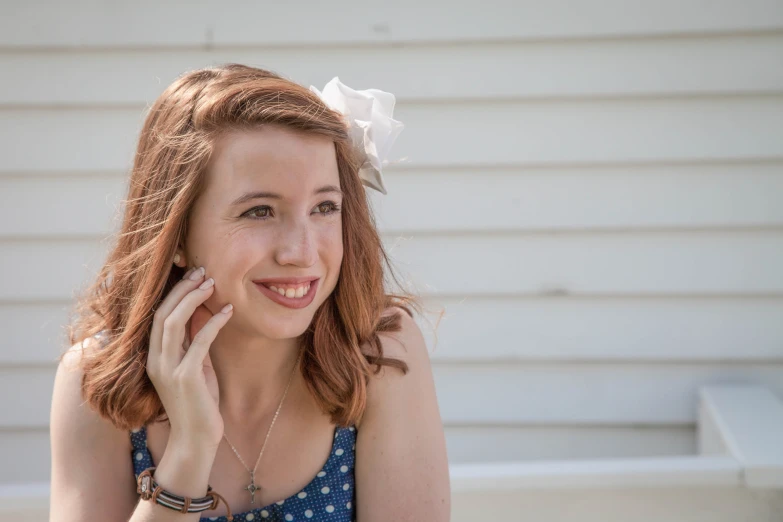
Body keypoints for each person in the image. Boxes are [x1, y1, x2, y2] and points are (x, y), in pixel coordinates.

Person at [49, 63, 451, 521]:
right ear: (175, 234)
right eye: (260, 211)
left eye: (324, 207)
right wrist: (188, 453)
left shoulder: (379, 353)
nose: (301, 252)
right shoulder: (97, 379)